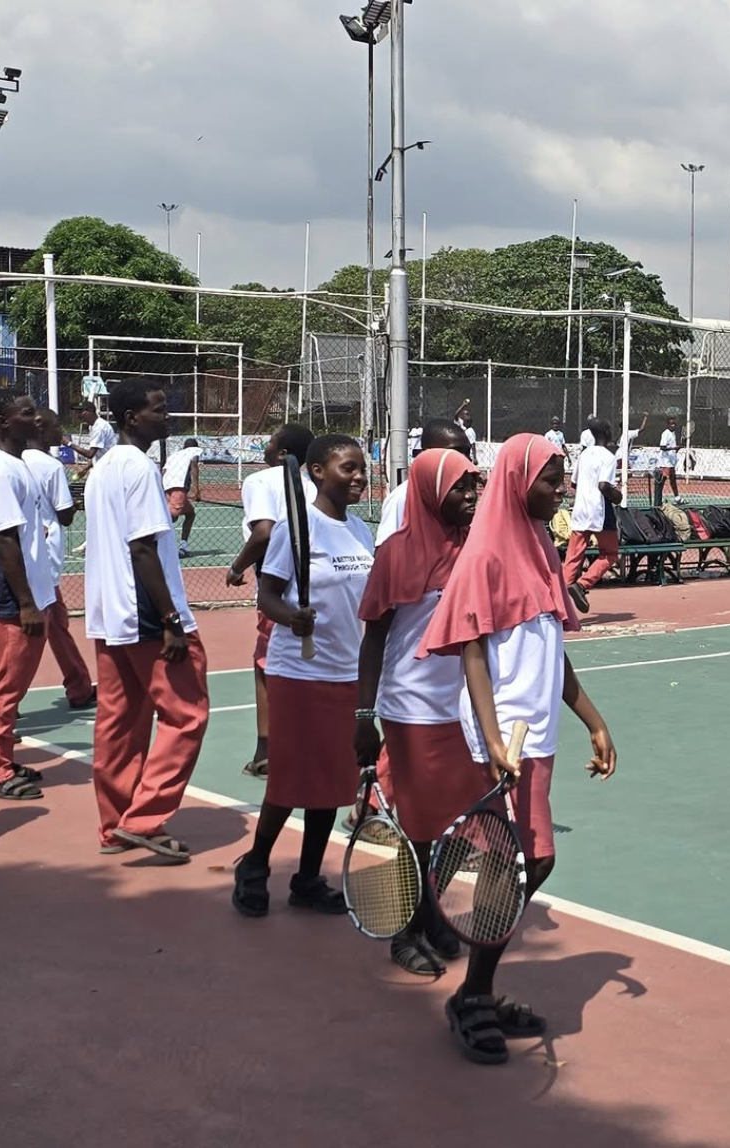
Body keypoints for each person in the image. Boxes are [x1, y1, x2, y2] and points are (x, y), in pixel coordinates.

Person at [421, 433, 618, 1065]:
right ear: (517, 481)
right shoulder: (485, 555)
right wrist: (490, 736)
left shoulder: (540, 549)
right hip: (500, 737)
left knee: (520, 863)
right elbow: (472, 652)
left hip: (538, 733)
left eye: (562, 478)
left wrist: (593, 720)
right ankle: (473, 996)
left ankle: (472, 979)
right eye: (551, 480)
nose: (561, 489)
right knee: (526, 861)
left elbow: (552, 651)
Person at [232, 434, 378, 916]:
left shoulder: (360, 531)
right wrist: (291, 617)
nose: (359, 476)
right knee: (291, 777)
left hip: (347, 673)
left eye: (362, 468)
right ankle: (255, 865)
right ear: (317, 471)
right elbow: (267, 595)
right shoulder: (295, 530)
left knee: (334, 781)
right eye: (348, 468)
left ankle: (308, 879)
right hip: (298, 673)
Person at [356, 447, 483, 975]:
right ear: (431, 491)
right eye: (461, 487)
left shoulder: (475, 547)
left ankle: (430, 909)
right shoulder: (396, 553)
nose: (472, 495)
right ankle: (404, 932)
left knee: (470, 823)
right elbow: (373, 640)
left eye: (475, 485)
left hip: (465, 710)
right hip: (411, 710)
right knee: (421, 828)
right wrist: (363, 717)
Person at [84, 380, 210, 863]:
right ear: (132, 418)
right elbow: (142, 548)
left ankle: (115, 825)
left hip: (110, 612)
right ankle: (144, 818)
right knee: (187, 714)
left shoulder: (103, 467)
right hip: (145, 614)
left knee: (119, 721)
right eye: (159, 409)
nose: (167, 416)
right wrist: (171, 618)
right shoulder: (138, 467)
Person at [0, 387, 58, 801]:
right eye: (27, 413)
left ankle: (0, 756)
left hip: (33, 594)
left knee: (13, 684)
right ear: (3, 423)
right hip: (14, 599)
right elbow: (5, 541)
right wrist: (25, 603)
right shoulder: (0, 471)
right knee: (5, 685)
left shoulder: (19, 464)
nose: (36, 418)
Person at [226, 424, 315, 779]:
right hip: (314, 586)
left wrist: (236, 567)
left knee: (266, 666)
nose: (264, 445)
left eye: (271, 441)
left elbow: (263, 531)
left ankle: (267, 750)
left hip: (279, 586)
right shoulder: (312, 485)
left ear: (282, 454)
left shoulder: (261, 481)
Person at [23, 403, 96, 709]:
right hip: (46, 558)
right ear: (41, 429)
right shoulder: (50, 466)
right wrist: (75, 502)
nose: (61, 432)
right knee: (37, 635)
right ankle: (2, 699)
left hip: (28, 555)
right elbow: (64, 515)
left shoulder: (14, 461)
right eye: (57, 427)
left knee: (56, 627)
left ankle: (79, 686)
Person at [561, 417, 621, 613]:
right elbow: (604, 485)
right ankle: (582, 584)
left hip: (580, 509)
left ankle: (558, 602)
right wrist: (617, 496)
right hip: (600, 510)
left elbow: (574, 483)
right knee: (610, 553)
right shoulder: (608, 457)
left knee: (573, 557)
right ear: (606, 431)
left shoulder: (584, 455)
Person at [379, 419, 472, 541]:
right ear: (427, 452)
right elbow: (387, 547)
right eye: (456, 452)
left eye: (467, 452)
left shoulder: (466, 494)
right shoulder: (402, 498)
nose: (465, 459)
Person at [162, 436, 203, 557]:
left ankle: (183, 546)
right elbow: (194, 463)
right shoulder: (194, 451)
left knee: (190, 514)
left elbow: (163, 472)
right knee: (171, 517)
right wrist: (196, 488)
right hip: (178, 488)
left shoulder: (174, 456)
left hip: (166, 488)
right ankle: (162, 547)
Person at [653, 415, 684, 506]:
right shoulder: (665, 433)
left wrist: (677, 448)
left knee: (672, 479)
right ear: (667, 425)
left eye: (674, 424)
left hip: (671, 461)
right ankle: (659, 499)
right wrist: (674, 448)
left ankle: (677, 498)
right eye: (671, 424)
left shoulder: (673, 433)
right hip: (665, 461)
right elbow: (662, 447)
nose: (673, 425)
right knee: (662, 480)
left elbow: (672, 448)